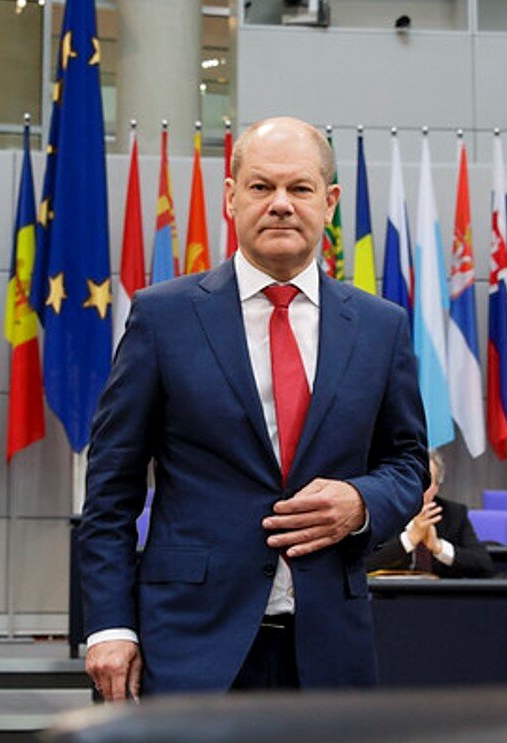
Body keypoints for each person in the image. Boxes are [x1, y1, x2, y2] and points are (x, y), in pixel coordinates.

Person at [78, 116, 428, 698]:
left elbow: (408, 462)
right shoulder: (163, 318)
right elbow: (111, 488)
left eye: (301, 189)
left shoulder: (380, 326)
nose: (281, 205)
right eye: (262, 187)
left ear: (330, 202)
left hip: (328, 649)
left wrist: (362, 501)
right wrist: (110, 626)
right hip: (189, 645)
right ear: (231, 197)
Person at [367, 450, 494, 578]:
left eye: (426, 482)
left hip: (440, 595)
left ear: (436, 487)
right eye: (411, 480)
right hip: (391, 595)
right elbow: (363, 565)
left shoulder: (454, 514)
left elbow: (483, 565)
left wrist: (438, 547)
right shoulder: (382, 512)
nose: (418, 488)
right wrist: (409, 539)